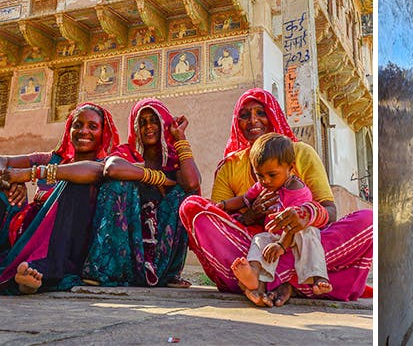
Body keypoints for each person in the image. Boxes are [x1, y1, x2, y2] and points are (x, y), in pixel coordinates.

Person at [179, 88, 372, 307]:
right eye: (245, 115)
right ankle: (298, 282)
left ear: (272, 115)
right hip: (254, 246)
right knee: (191, 207)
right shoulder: (230, 166)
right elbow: (221, 217)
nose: (253, 120)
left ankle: (264, 281)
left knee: (370, 222)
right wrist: (252, 215)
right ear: (237, 122)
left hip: (304, 245)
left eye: (261, 112)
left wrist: (304, 216)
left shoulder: (300, 153)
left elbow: (330, 212)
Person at [0, 103, 120, 293]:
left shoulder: (106, 164)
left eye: (93, 126)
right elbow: (3, 160)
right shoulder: (52, 158)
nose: (84, 131)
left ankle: (39, 274)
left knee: (73, 181)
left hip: (65, 242)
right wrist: (11, 183)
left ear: (103, 133)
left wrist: (30, 174)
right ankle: (25, 274)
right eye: (77, 125)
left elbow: (93, 171)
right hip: (26, 232)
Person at [82, 98, 200, 287]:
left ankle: (166, 273)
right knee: (117, 185)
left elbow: (192, 183)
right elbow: (111, 168)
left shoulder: (172, 160)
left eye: (154, 121)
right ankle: (108, 269)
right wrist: (157, 177)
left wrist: (180, 138)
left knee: (183, 196)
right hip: (126, 243)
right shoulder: (126, 153)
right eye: (142, 122)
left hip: (158, 244)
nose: (148, 127)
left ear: (163, 124)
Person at [230, 133, 331, 304]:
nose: (265, 181)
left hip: (296, 233)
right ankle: (253, 274)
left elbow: (295, 224)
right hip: (274, 234)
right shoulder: (263, 183)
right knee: (259, 239)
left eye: (271, 175)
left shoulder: (298, 190)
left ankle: (318, 276)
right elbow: (245, 198)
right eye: (260, 176)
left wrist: (282, 246)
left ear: (291, 168)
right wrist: (223, 206)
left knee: (310, 235)